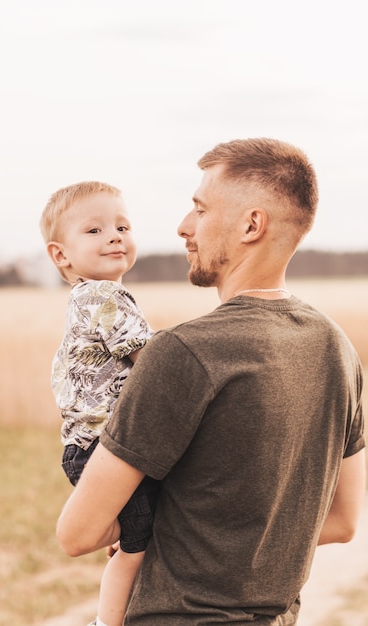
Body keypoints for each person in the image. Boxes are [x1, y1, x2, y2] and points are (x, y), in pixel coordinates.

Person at [56, 139, 366, 625]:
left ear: (251, 225)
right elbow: (344, 522)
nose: (183, 226)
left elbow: (77, 534)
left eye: (200, 209)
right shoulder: (338, 348)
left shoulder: (183, 352)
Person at [40, 181, 158, 626]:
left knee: (140, 526)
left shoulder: (86, 298)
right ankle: (107, 623)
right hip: (103, 450)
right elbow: (154, 362)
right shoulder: (106, 296)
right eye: (94, 230)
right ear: (60, 255)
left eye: (122, 226)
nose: (114, 235)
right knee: (137, 548)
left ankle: (122, 527)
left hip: (85, 448)